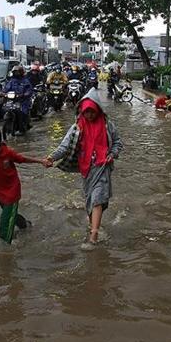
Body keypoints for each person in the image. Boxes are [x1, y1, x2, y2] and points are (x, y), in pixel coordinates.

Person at [46, 89, 123, 249]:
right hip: (86, 169)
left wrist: (113, 153)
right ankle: (93, 225)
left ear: (97, 110)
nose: (89, 116)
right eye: (86, 112)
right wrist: (52, 157)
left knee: (97, 197)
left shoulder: (108, 125)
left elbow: (117, 142)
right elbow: (64, 146)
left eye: (92, 112)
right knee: (90, 199)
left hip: (103, 167)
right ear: (81, 112)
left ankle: (94, 233)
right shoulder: (77, 128)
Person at [3, 65, 33, 133]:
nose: (16, 74)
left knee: (23, 113)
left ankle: (24, 125)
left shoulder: (25, 81)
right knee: (6, 109)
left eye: (18, 72)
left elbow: (29, 90)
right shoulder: (11, 81)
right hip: (13, 100)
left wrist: (25, 94)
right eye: (15, 72)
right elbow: (6, 88)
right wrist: (2, 93)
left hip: (23, 101)